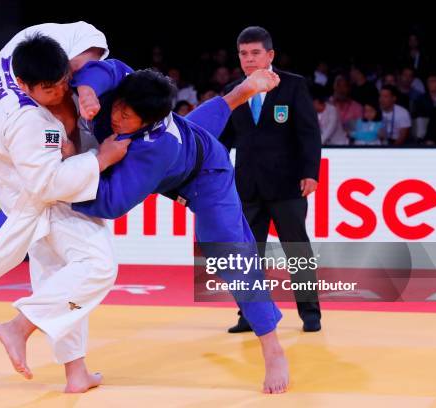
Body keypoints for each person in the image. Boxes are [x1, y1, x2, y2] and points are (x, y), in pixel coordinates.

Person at [70, 58, 290, 394]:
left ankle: (271, 345)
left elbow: (111, 203)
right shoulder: (135, 91)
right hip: (187, 135)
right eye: (117, 107)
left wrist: (65, 180)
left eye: (126, 117)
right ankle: (243, 90)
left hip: (204, 176)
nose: (115, 117)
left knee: (227, 254)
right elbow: (109, 68)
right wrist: (87, 90)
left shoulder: (154, 149)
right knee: (194, 127)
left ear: (147, 122)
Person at [0, 25, 129, 393]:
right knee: (97, 266)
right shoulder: (30, 121)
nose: (61, 92)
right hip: (36, 194)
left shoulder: (18, 50)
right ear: (26, 86)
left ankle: (75, 373)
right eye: (49, 90)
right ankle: (19, 326)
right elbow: (48, 184)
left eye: (64, 82)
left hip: (26, 184)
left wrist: (86, 82)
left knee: (58, 275)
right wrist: (100, 159)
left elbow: (84, 37)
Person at [219, 26, 322, 333]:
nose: (249, 60)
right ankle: (249, 316)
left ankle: (311, 314)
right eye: (243, 54)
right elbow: (223, 140)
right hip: (248, 186)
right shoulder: (234, 92)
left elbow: (309, 133)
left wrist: (310, 173)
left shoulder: (292, 86)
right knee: (248, 255)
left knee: (297, 250)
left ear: (270, 55)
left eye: (255, 53)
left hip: (288, 184)